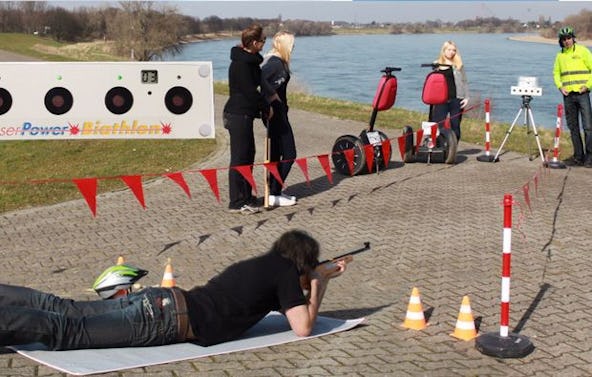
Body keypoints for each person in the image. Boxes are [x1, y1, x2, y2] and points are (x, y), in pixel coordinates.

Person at [0, 229, 349, 350]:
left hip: (161, 300)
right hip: (165, 319)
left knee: (64, 309)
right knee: (67, 331)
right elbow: (303, 327)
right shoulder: (288, 272)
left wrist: (312, 277)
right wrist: (318, 284)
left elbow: (279, 300)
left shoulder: (265, 264)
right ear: (303, 261)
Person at [223, 24, 269, 214]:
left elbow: (260, 84)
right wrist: (265, 107)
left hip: (245, 115)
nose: (264, 44)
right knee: (240, 157)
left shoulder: (251, 61)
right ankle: (237, 201)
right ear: (253, 43)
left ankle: (247, 196)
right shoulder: (241, 64)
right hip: (237, 115)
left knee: (249, 154)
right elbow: (250, 92)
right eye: (262, 41)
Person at [261, 31, 298, 207]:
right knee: (290, 153)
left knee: (276, 153)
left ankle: (273, 192)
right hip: (274, 113)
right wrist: (272, 98)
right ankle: (273, 192)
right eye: (292, 44)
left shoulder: (277, 61)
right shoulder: (274, 62)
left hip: (279, 112)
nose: (294, 47)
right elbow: (259, 79)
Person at [553, 26, 592, 167]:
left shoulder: (583, 51)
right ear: (561, 41)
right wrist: (560, 86)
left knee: (588, 127)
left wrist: (588, 85)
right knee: (573, 127)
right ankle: (578, 157)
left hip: (583, 94)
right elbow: (556, 73)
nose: (567, 41)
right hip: (568, 96)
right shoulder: (560, 56)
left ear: (573, 38)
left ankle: (590, 157)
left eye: (569, 38)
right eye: (564, 39)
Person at [430, 40, 470, 142]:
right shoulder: (436, 64)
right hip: (441, 99)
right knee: (438, 124)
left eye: (454, 50)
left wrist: (466, 97)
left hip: (456, 98)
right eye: (449, 50)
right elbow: (432, 83)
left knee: (455, 124)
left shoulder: (459, 65)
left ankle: (453, 147)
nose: (451, 52)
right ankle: (438, 145)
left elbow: (464, 81)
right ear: (444, 50)